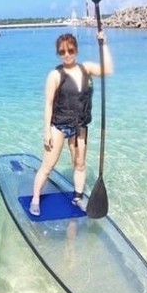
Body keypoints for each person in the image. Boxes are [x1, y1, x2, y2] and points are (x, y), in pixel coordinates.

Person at [29, 31, 114, 216]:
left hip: (80, 126)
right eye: (62, 51)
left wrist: (103, 44)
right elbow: (48, 104)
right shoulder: (55, 75)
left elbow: (108, 70)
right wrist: (46, 131)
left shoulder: (86, 69)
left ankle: (78, 197)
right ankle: (35, 198)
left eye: (70, 50)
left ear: (76, 50)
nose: (67, 54)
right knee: (48, 166)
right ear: (58, 53)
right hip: (59, 126)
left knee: (80, 164)